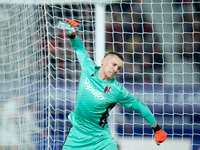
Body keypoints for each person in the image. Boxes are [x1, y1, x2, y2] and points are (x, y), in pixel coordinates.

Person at [62, 19, 167, 150]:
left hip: (101, 140)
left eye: (119, 68)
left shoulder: (117, 90)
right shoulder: (88, 68)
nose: (116, 69)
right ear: (104, 61)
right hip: (76, 136)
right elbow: (79, 48)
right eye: (114, 64)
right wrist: (72, 34)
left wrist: (157, 129)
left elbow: (139, 105)